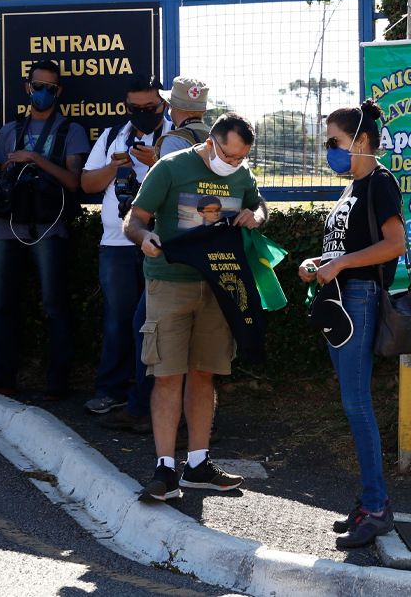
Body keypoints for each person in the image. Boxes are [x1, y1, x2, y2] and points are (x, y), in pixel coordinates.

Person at [123, 112, 268, 501]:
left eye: (242, 159)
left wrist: (255, 215)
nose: (235, 164)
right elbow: (133, 221)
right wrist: (144, 238)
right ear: (210, 143)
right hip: (170, 282)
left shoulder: (242, 175)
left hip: (220, 285)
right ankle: (165, 471)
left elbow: (261, 208)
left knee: (204, 373)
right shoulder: (171, 167)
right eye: (230, 156)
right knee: (168, 375)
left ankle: (198, 465)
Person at [297, 99, 407, 548]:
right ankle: (369, 502)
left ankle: (377, 508)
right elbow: (350, 248)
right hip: (341, 303)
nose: (330, 151)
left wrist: (340, 263)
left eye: (334, 142)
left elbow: (394, 244)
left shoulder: (379, 182)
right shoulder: (352, 187)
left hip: (359, 301)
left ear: (361, 140)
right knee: (352, 403)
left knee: (357, 404)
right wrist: (319, 262)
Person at [0, 60, 89, 401]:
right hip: (8, 227)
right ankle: (3, 376)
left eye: (51, 87)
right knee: (4, 306)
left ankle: (57, 379)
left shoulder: (70, 130)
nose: (43, 92)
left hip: (51, 226)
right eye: (38, 86)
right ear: (27, 88)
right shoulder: (8, 131)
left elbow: (74, 182)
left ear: (58, 91)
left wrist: (35, 157)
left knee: (55, 305)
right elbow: (3, 179)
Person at [100, 76, 213, 432]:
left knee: (148, 331)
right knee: (197, 347)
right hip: (208, 251)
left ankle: (149, 413)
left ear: (171, 106)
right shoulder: (216, 139)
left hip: (171, 253)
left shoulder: (173, 142)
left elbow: (157, 202)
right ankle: (191, 422)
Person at [79, 74, 176, 415]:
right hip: (116, 243)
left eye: (150, 107)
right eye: (134, 108)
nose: (143, 113)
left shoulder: (175, 138)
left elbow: (193, 183)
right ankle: (111, 391)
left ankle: (148, 396)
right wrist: (113, 165)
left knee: (155, 322)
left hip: (158, 242)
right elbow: (87, 183)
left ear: (163, 104)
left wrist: (157, 161)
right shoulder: (111, 136)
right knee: (118, 321)